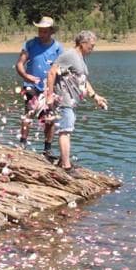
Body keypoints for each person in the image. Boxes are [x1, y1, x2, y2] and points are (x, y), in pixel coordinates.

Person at [46, 30, 108, 178]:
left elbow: (83, 80)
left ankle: (63, 161)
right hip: (64, 98)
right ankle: (66, 167)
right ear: (83, 43)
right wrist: (49, 95)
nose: (93, 48)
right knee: (65, 130)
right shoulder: (70, 55)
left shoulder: (80, 58)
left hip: (72, 100)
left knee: (68, 130)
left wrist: (96, 96)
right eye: (91, 45)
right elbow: (51, 72)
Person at [16, 16, 63, 159]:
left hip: (49, 88)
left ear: (51, 32)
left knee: (49, 118)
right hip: (31, 85)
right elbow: (19, 64)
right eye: (40, 31)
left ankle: (47, 150)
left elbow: (61, 68)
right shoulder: (30, 44)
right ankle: (22, 145)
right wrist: (26, 76)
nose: (41, 34)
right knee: (29, 113)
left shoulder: (58, 48)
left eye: (44, 31)